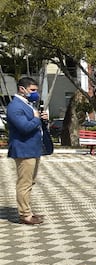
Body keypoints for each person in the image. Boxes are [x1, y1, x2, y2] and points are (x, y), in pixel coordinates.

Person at [7, 76, 48, 225]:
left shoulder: (28, 104)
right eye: (32, 90)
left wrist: (42, 119)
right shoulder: (15, 106)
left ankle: (27, 210)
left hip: (32, 148)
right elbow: (24, 128)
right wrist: (36, 119)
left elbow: (33, 123)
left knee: (30, 182)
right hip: (24, 149)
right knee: (24, 183)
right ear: (22, 89)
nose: (35, 93)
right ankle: (25, 215)